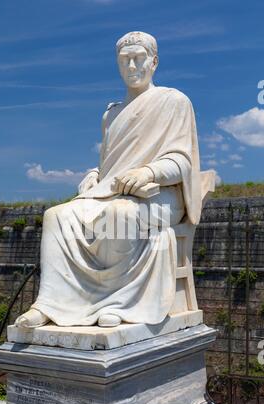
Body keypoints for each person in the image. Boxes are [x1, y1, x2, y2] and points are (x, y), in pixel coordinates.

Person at [15, 31, 201, 329]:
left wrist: (149, 172)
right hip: (113, 191)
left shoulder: (174, 101)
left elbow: (182, 162)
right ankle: (51, 303)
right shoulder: (111, 115)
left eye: (139, 59)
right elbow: (109, 165)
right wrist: (93, 176)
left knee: (121, 214)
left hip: (162, 194)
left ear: (154, 62)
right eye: (125, 60)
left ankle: (120, 302)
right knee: (56, 217)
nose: (132, 66)